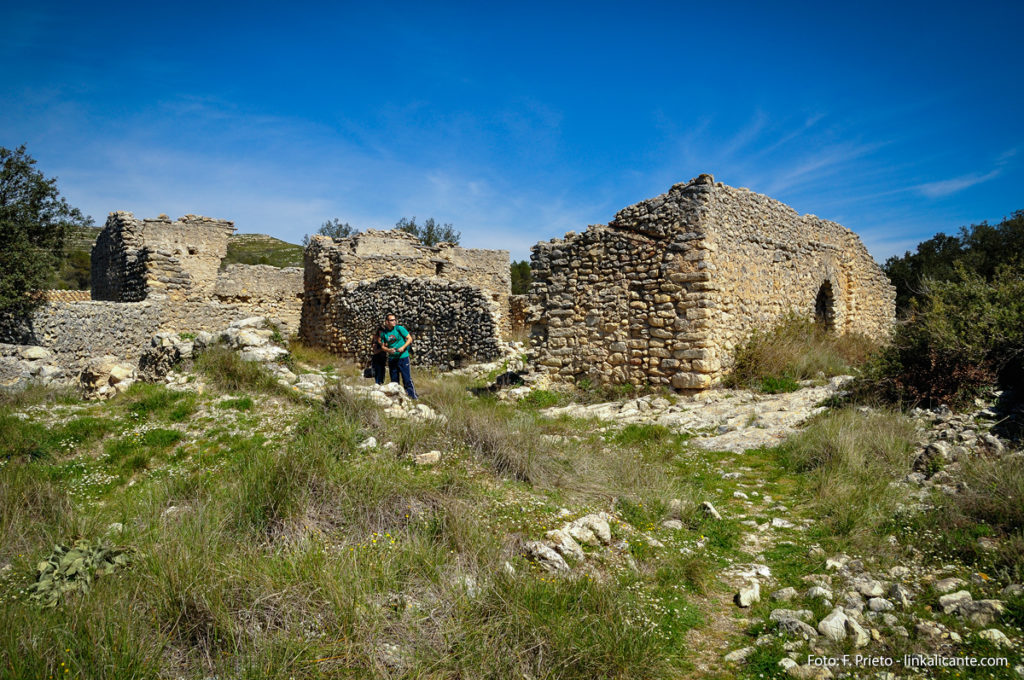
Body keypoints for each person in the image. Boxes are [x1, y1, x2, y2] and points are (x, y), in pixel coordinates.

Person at [380, 312, 417, 399]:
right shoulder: (384, 333)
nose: (394, 321)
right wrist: (388, 350)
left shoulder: (399, 329)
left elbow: (409, 338)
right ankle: (397, 398)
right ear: (387, 322)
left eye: (394, 320)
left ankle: (412, 397)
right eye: (391, 320)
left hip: (403, 357)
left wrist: (403, 347)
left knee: (407, 379)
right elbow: (382, 346)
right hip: (392, 359)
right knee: (394, 381)